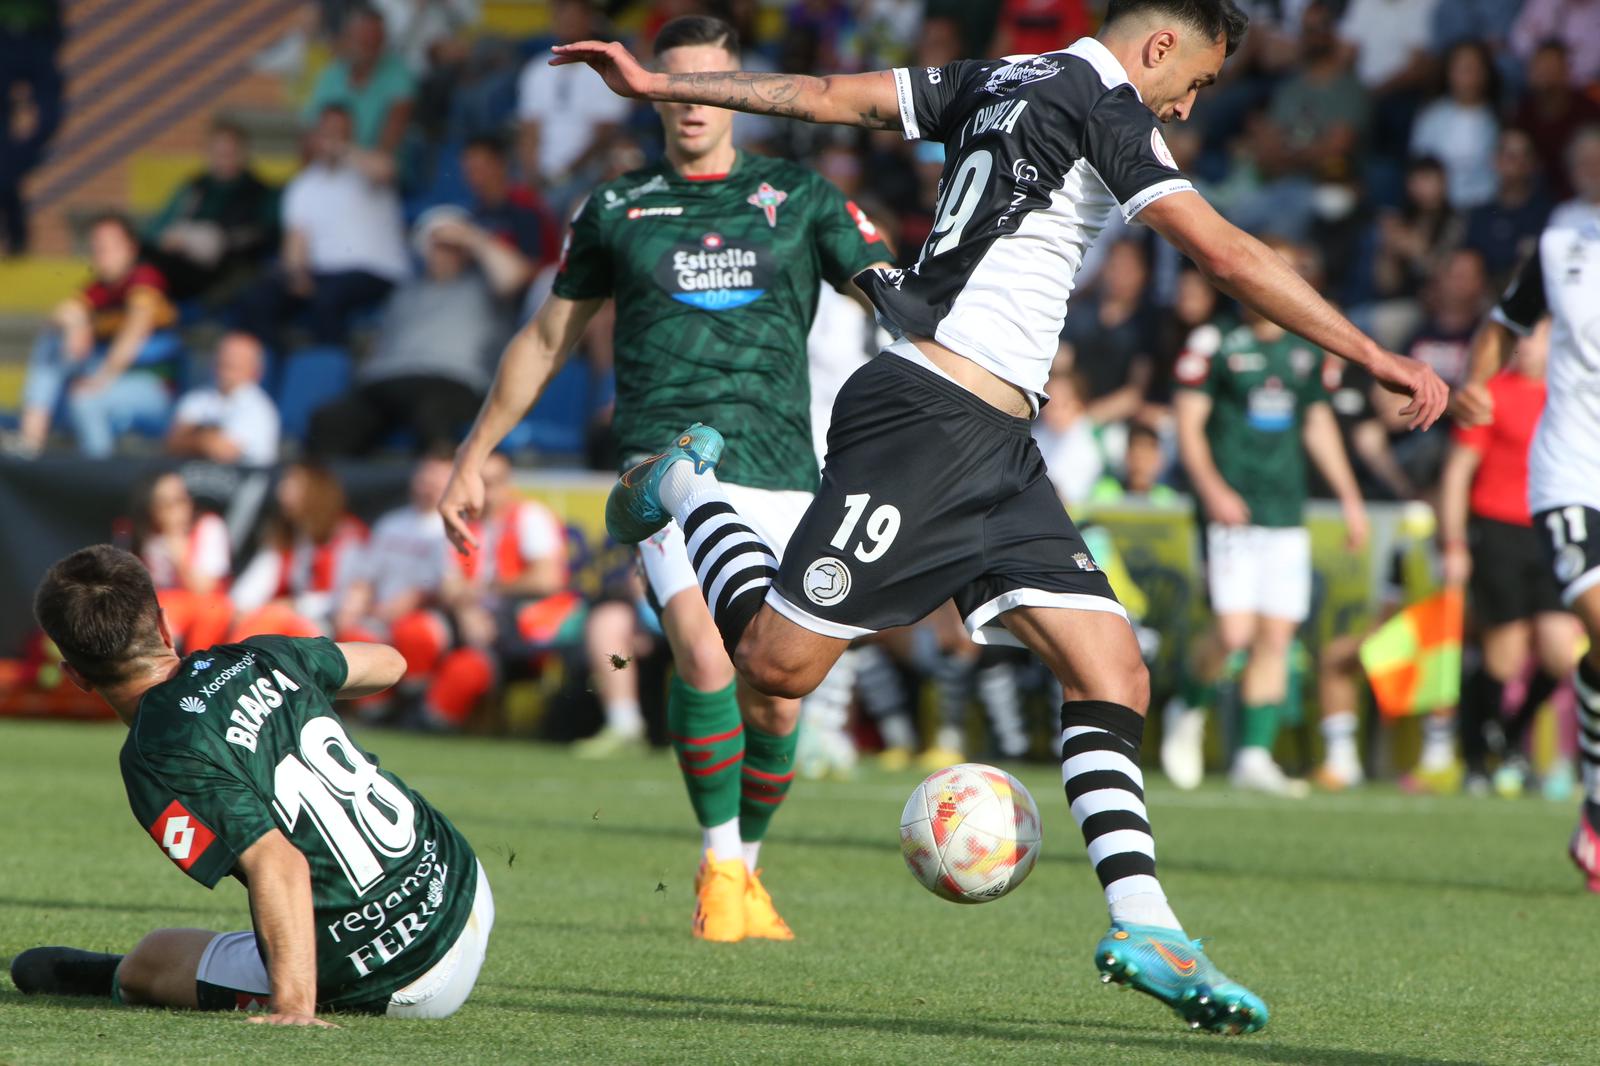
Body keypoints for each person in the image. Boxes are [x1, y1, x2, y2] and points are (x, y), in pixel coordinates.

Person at [556, 0, 1446, 1031]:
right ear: (1159, 46)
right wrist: (1371, 354)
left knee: (1109, 668)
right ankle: (682, 489)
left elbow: (822, 97)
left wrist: (664, 85)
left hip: (998, 443)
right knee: (772, 666)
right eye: (1194, 80)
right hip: (928, 416)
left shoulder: (1000, 76)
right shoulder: (1102, 102)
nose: (1190, 102)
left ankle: (1145, 922)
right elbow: (1226, 255)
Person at [438, 15, 889, 946]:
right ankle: (719, 861)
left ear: (735, 90)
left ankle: (746, 871)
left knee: (776, 692)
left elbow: (889, 290)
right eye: (671, 84)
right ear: (651, 92)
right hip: (663, 460)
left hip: (782, 469)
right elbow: (547, 339)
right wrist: (472, 457)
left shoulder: (799, 197)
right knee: (706, 652)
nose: (688, 102)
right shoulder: (615, 207)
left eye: (705, 84)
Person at [12, 545, 492, 1022]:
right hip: (462, 885)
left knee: (154, 957)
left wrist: (293, 1007)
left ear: (75, 676)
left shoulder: (153, 753)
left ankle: (132, 979)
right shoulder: (262, 653)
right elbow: (390, 663)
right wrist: (296, 684)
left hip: (407, 979)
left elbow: (278, 861)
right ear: (162, 626)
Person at [1453, 125, 1600, 891]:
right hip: (1572, 469)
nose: (1583, 169)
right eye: (1578, 158)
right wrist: (1477, 379)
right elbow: (1507, 321)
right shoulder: (1562, 240)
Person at [1170, 239, 1369, 796]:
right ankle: (1189, 709)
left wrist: (1349, 498)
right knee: (1234, 632)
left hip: (1286, 509)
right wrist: (1211, 489)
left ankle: (1252, 756)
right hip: (1233, 509)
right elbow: (1188, 425)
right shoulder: (1214, 343)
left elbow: (1318, 424)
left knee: (1276, 636)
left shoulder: (1305, 349)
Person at [1441, 319, 1581, 795]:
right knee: (1502, 659)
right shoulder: (1491, 393)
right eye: (1519, 337)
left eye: (1535, 336)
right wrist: (1454, 542)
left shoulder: (1574, 397)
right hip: (1498, 531)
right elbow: (1459, 472)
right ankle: (1477, 753)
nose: (1524, 347)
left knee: (1562, 652)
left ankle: (1509, 730)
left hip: (1555, 530)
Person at [306, 206, 529, 457]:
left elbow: (516, 276)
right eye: (438, 245)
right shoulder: (403, 292)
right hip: (388, 379)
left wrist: (472, 237)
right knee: (328, 420)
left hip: (453, 381)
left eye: (453, 246)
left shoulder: (486, 287)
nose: (444, 253)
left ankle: (438, 486)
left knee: (433, 412)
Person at [234, 106, 409, 355]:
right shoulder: (303, 185)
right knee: (256, 300)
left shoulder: (367, 167)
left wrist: (343, 149)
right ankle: (284, 368)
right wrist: (297, 275)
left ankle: (330, 376)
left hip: (375, 271)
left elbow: (384, 171)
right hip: (323, 274)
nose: (331, 139)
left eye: (339, 132)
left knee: (327, 300)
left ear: (351, 135)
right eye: (326, 132)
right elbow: (296, 243)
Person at [11, 213, 182, 458]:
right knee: (51, 341)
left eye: (110, 245)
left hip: (150, 387)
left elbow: (134, 332)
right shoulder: (98, 289)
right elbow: (58, 315)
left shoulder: (146, 279)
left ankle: (96, 474)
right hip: (106, 377)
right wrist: (76, 324)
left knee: (85, 399)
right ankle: (31, 438)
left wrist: (101, 380)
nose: (103, 252)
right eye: (97, 246)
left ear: (131, 248)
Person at [143, 120, 280, 302]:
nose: (223, 157)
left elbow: (264, 234)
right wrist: (171, 237)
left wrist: (219, 239)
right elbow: (157, 228)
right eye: (218, 152)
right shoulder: (194, 187)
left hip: (227, 267)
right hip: (182, 262)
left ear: (243, 153)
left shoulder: (259, 192)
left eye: (230, 152)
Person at [515, 0, 632, 210]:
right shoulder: (536, 69)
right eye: (561, 16)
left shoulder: (606, 67)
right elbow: (529, 130)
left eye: (573, 16)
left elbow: (605, 133)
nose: (566, 22)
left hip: (585, 171)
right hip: (542, 175)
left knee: (558, 203)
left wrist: (565, 174)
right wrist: (531, 174)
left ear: (589, 19)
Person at [231, 463, 369, 640]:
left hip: (328, 623)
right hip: (289, 617)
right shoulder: (289, 535)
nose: (282, 492)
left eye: (292, 485)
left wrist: (293, 605)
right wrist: (243, 608)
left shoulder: (347, 535)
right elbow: (250, 589)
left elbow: (344, 596)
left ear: (316, 492)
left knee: (271, 620)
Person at [131, 471, 234, 655]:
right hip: (162, 604)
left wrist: (176, 542)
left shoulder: (208, 526)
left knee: (213, 610)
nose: (176, 509)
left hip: (202, 605)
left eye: (180, 500)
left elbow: (203, 588)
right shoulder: (144, 536)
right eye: (166, 504)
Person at [303, 3, 415, 154]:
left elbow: (385, 154)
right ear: (348, 37)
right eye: (361, 38)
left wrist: (339, 150)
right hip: (327, 165)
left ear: (382, 41)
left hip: (372, 170)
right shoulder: (332, 72)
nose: (365, 46)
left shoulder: (399, 78)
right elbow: (310, 133)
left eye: (372, 40)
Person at [1409, 39, 1501, 212]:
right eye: (1462, 68)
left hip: (1485, 207)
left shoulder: (1498, 118)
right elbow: (1420, 165)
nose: (1468, 75)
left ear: (1486, 72)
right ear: (1449, 73)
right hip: (1436, 207)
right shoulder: (1431, 116)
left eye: (1474, 68)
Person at [167, 331, 281, 466]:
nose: (227, 360)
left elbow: (223, 451)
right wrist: (207, 439)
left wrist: (194, 436)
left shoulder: (259, 408)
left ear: (255, 369)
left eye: (236, 359)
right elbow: (171, 443)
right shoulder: (197, 398)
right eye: (224, 355)